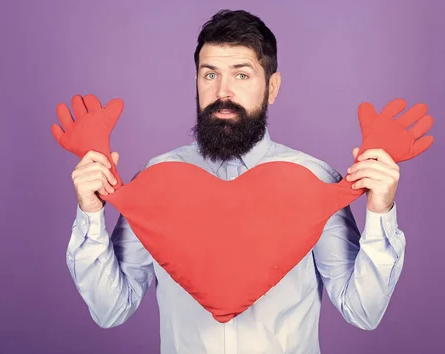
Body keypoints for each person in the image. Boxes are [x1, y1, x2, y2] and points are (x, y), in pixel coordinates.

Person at [66, 9, 405, 354]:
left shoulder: (313, 182)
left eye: (241, 75)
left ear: (271, 87)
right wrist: (90, 213)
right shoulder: (158, 180)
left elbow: (363, 311)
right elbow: (111, 309)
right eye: (209, 74)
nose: (222, 91)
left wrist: (381, 212)